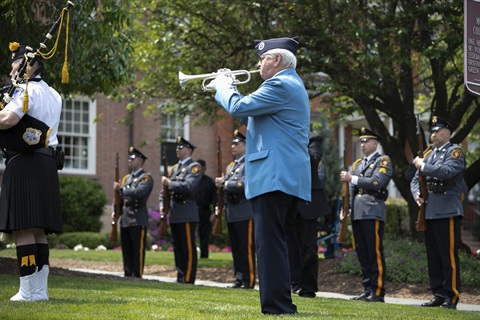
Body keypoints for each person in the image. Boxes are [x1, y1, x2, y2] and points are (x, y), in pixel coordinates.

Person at [208, 36, 311, 314]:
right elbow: (248, 115)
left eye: (262, 58)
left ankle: (277, 305)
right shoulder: (290, 85)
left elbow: (239, 108)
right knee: (274, 242)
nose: (258, 63)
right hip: (283, 175)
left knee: (269, 244)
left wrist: (223, 86)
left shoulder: (279, 83)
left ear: (276, 60)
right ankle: (280, 302)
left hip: (275, 175)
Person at [0, 42, 62, 301]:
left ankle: (27, 290)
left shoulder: (25, 91)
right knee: (37, 230)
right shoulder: (55, 94)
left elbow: (7, 121)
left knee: (23, 227)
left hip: (25, 162)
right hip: (47, 163)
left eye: (14, 63)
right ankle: (40, 290)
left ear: (30, 65)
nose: (12, 69)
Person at [410, 116, 464, 310]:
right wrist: (417, 194)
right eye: (432, 131)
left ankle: (452, 296)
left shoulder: (454, 151)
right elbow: (415, 179)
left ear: (447, 133)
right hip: (430, 208)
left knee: (448, 255)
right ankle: (438, 294)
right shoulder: (428, 153)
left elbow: (448, 171)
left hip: (447, 207)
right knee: (433, 256)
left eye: (438, 131)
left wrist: (423, 165)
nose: (433, 134)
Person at [340, 127, 393, 303]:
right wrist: (346, 209)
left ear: (375, 143)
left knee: (374, 252)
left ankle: (377, 291)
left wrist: (352, 179)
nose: (362, 144)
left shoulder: (383, 161)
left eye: (366, 141)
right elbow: (352, 190)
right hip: (358, 212)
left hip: (372, 210)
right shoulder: (357, 164)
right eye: (361, 141)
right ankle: (367, 288)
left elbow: (377, 182)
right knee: (362, 252)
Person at [215, 130, 256, 289]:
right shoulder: (232, 166)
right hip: (232, 211)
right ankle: (239, 278)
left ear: (245, 146)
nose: (232, 146)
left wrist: (224, 183)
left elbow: (244, 183)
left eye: (236, 143)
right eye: (232, 143)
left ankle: (249, 279)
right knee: (236, 248)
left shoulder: (250, 163)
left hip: (245, 210)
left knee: (246, 248)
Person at [288, 133, 327, 298]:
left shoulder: (313, 139)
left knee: (308, 247)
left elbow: (313, 158)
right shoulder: (285, 135)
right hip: (288, 199)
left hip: (307, 200)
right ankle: (292, 283)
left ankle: (308, 287)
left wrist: (296, 143)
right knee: (289, 247)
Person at [162, 136, 202, 284]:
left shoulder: (194, 167)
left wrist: (170, 183)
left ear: (189, 150)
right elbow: (164, 192)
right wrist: (162, 206)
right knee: (177, 247)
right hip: (175, 212)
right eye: (177, 147)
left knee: (188, 247)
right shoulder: (175, 168)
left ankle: (189, 277)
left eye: (181, 147)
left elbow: (189, 187)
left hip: (186, 212)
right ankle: (180, 276)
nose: (177, 150)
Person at [113, 147, 154, 278]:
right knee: (127, 250)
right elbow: (120, 198)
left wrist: (122, 189)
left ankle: (137, 275)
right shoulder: (126, 179)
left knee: (137, 251)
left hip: (137, 218)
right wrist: (116, 212)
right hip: (125, 218)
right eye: (129, 158)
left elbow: (139, 193)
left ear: (140, 161)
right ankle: (127, 274)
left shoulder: (146, 178)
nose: (129, 160)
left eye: (133, 158)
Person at [195, 159, 216, 259]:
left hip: (205, 210)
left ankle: (204, 255)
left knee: (204, 234)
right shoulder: (192, 180)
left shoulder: (209, 181)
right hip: (193, 209)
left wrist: (214, 213)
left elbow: (215, 198)